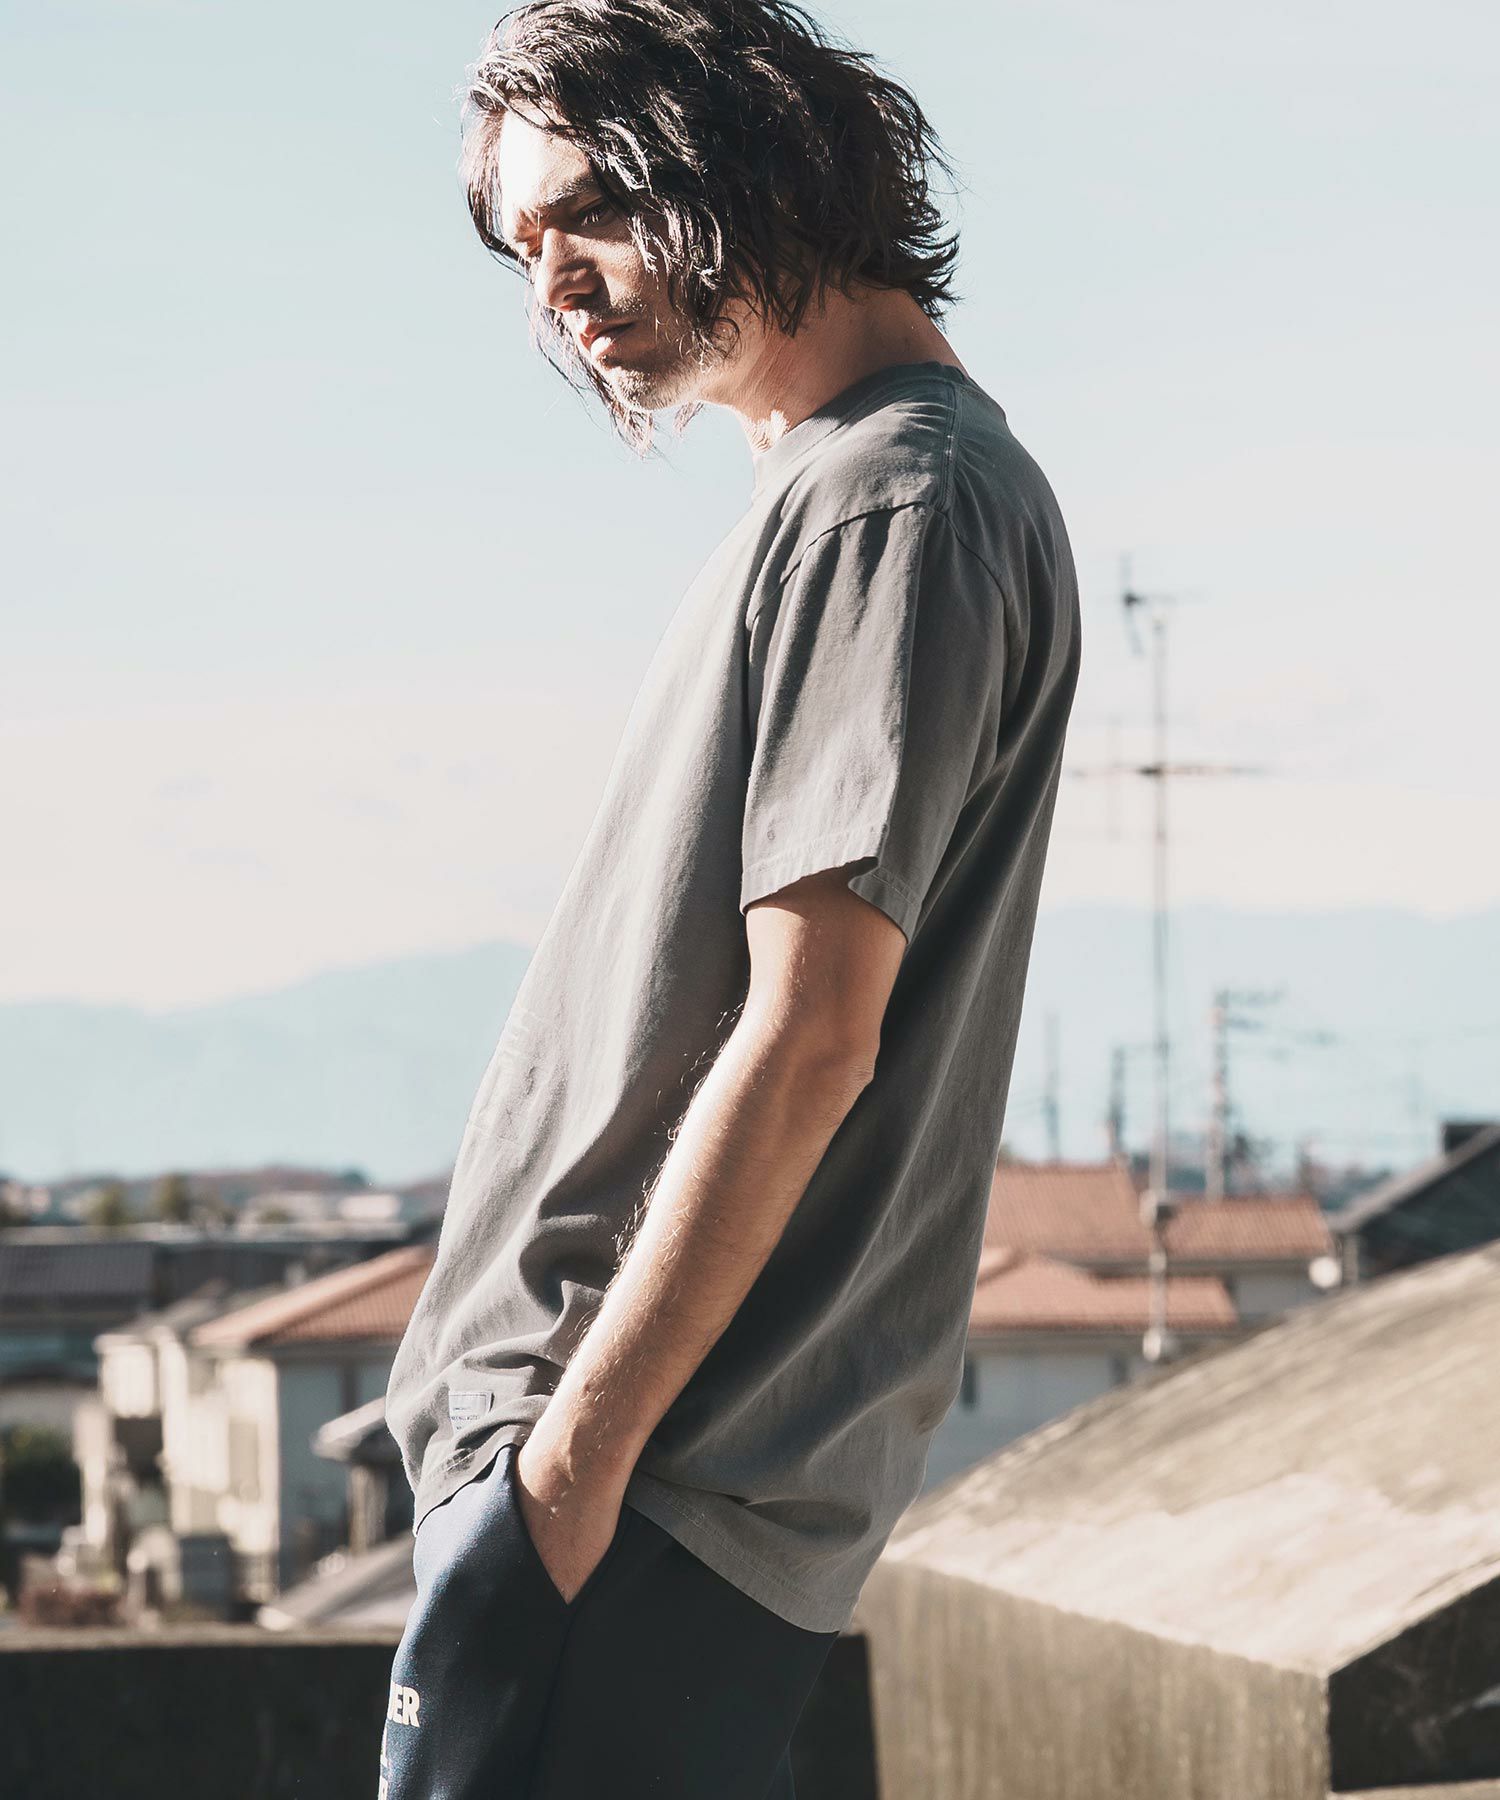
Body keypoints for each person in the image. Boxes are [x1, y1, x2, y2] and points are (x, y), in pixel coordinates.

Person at [379, 1, 1081, 1794]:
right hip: (629, 1497)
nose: (555, 286)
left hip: (639, 1498)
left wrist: (568, 1473)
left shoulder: (891, 503)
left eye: (590, 212)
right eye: (521, 246)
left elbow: (811, 1034)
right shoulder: (852, 494)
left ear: (745, 156)